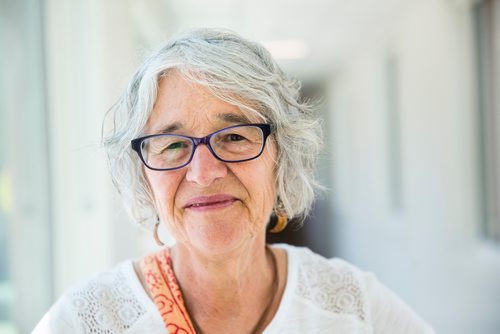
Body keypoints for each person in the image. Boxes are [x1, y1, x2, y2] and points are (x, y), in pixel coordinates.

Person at [34, 28, 434, 334]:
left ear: (282, 157)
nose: (204, 172)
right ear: (142, 173)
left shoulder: (353, 309)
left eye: (235, 137)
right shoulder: (87, 320)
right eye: (172, 145)